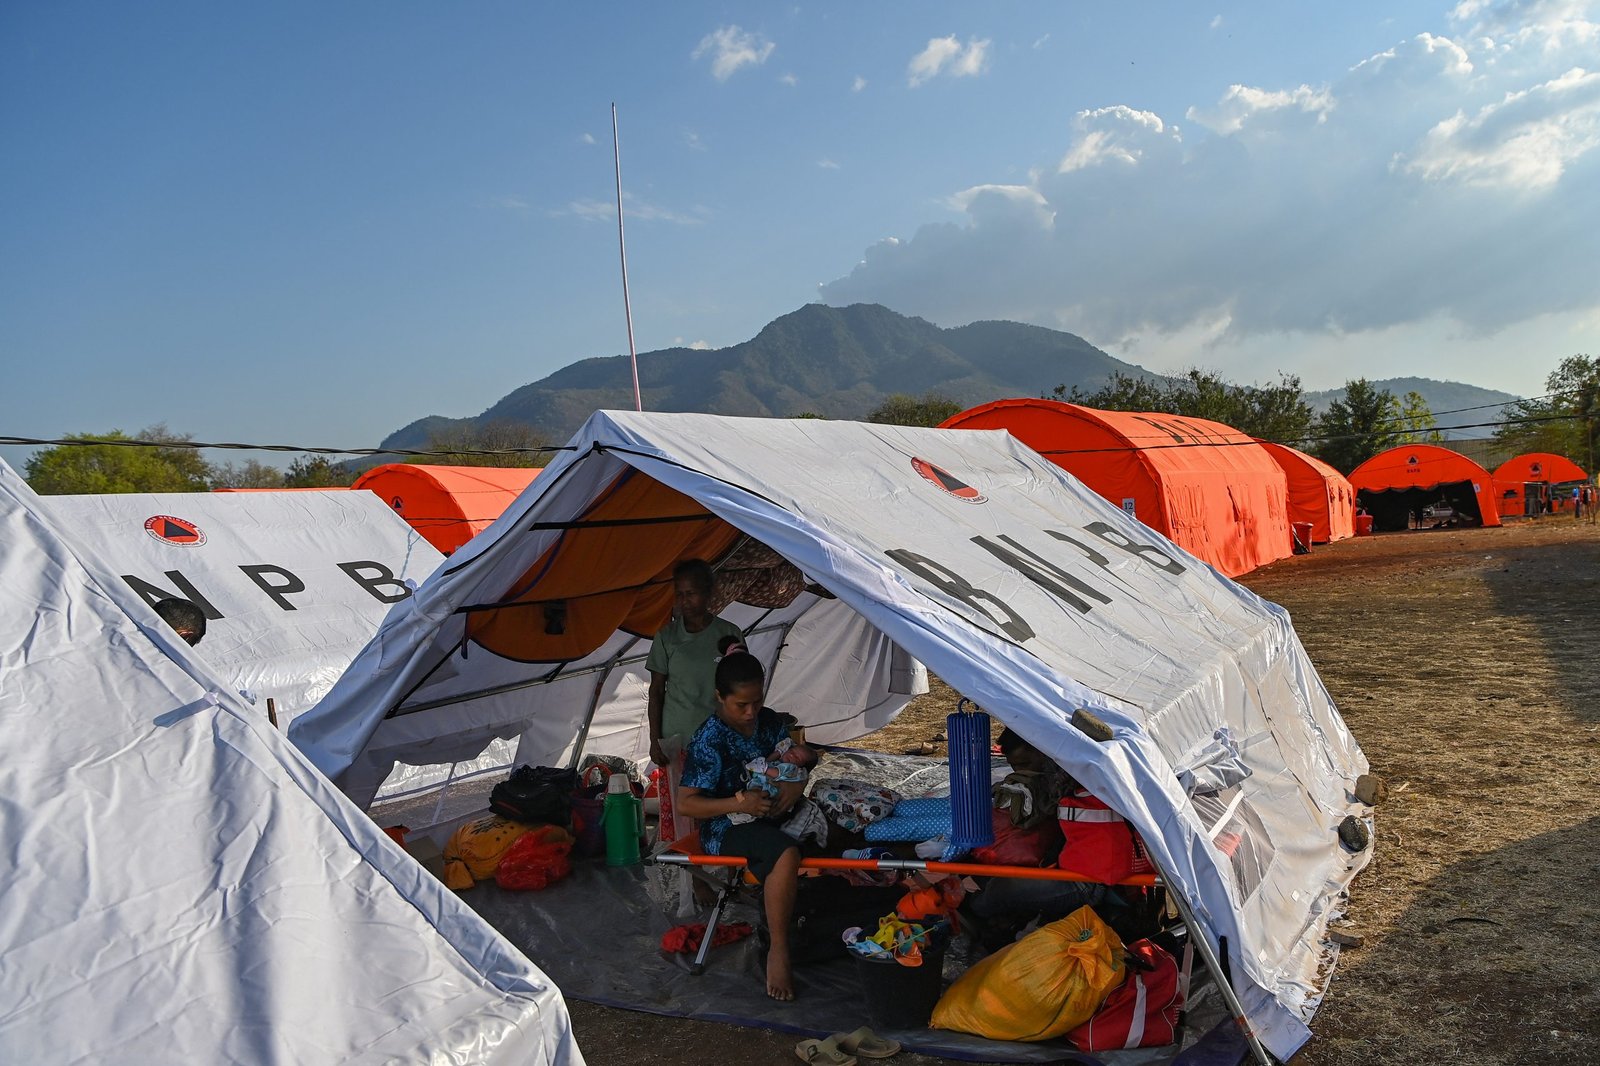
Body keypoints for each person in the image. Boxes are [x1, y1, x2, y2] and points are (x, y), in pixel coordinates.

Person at [677, 642, 808, 1001]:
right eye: (741, 705)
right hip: (727, 827)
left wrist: (796, 787)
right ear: (720, 697)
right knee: (784, 853)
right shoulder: (709, 739)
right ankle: (779, 950)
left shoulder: (769, 721)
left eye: (757, 701)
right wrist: (740, 802)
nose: (751, 712)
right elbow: (686, 804)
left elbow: (795, 763)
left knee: (838, 827)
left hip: (773, 811)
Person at [646, 559, 742, 768]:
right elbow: (656, 692)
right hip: (677, 740)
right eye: (679, 594)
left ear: (708, 593)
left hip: (720, 736)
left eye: (691, 594)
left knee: (720, 798)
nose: (684, 601)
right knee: (682, 799)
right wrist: (654, 740)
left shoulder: (729, 634)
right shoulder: (667, 637)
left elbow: (741, 688)